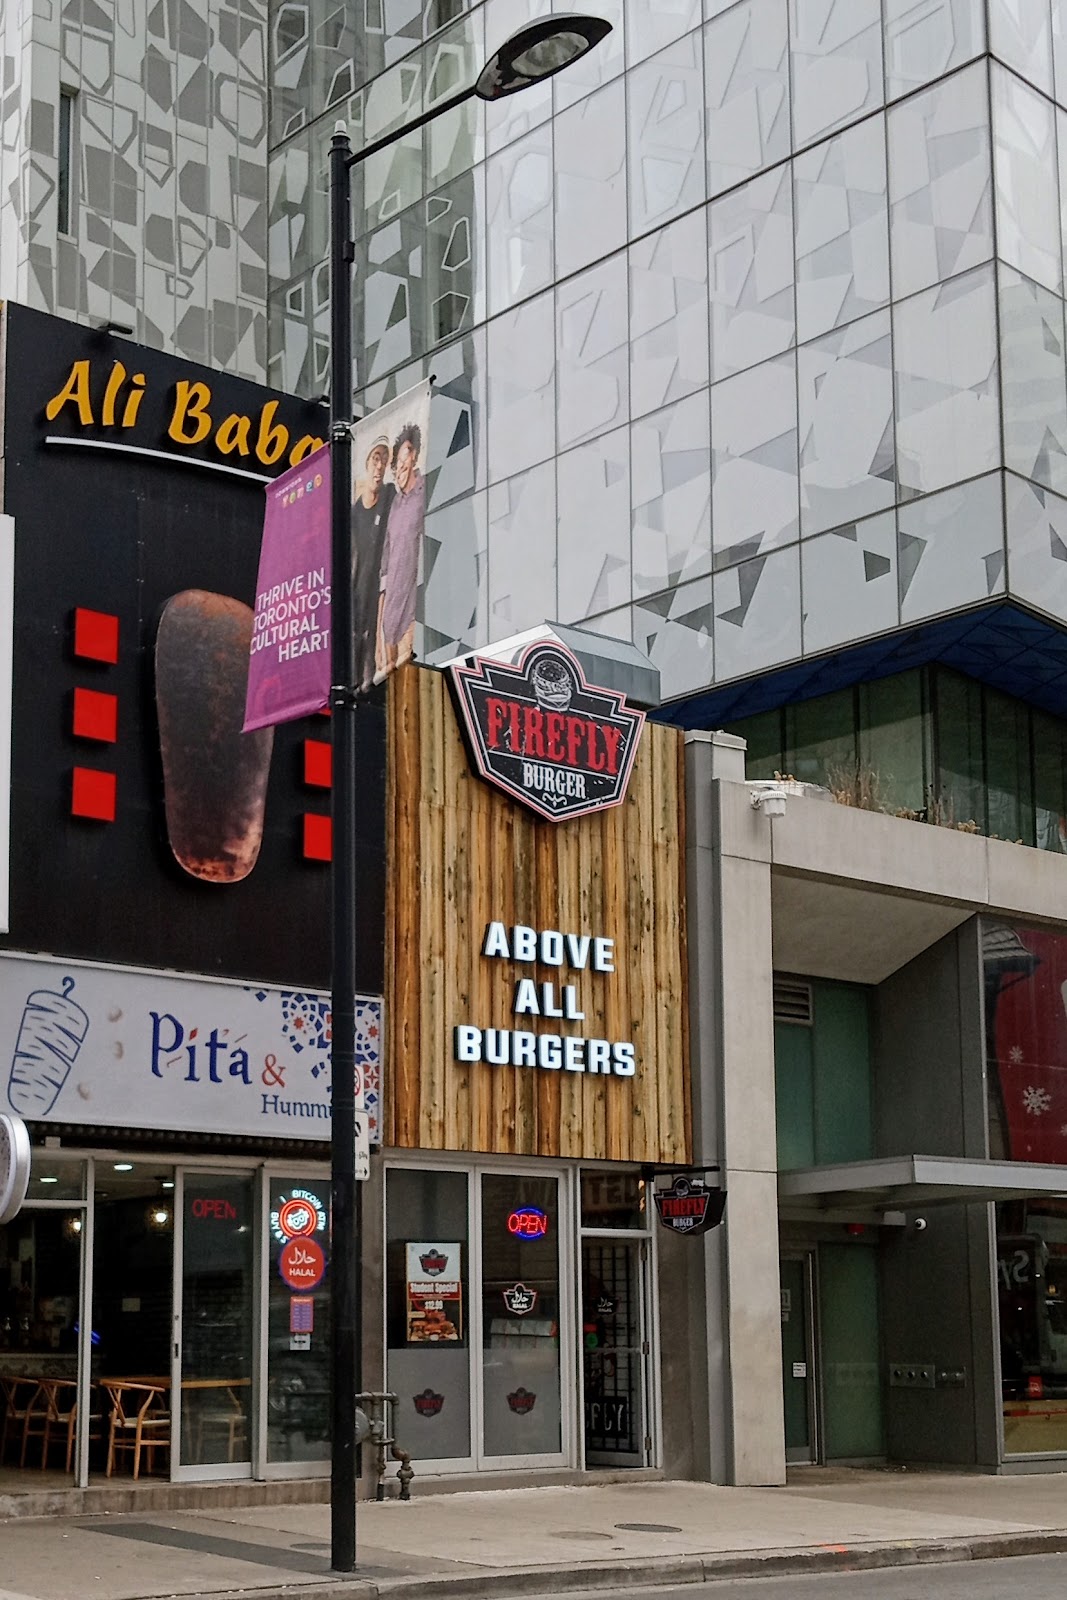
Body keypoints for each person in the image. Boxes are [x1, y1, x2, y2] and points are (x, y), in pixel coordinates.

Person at [374, 422, 425, 681]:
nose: (401, 466)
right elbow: (385, 557)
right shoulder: (394, 504)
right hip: (392, 605)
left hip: (416, 607)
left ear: (414, 454)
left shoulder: (425, 492)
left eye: (406, 456)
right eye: (397, 463)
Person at [350, 434, 394, 694]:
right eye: (376, 459)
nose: (379, 467)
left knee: (373, 643)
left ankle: (367, 687)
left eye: (384, 461)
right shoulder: (353, 514)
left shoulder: (388, 497)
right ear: (366, 463)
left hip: (379, 592)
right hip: (357, 594)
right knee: (357, 639)